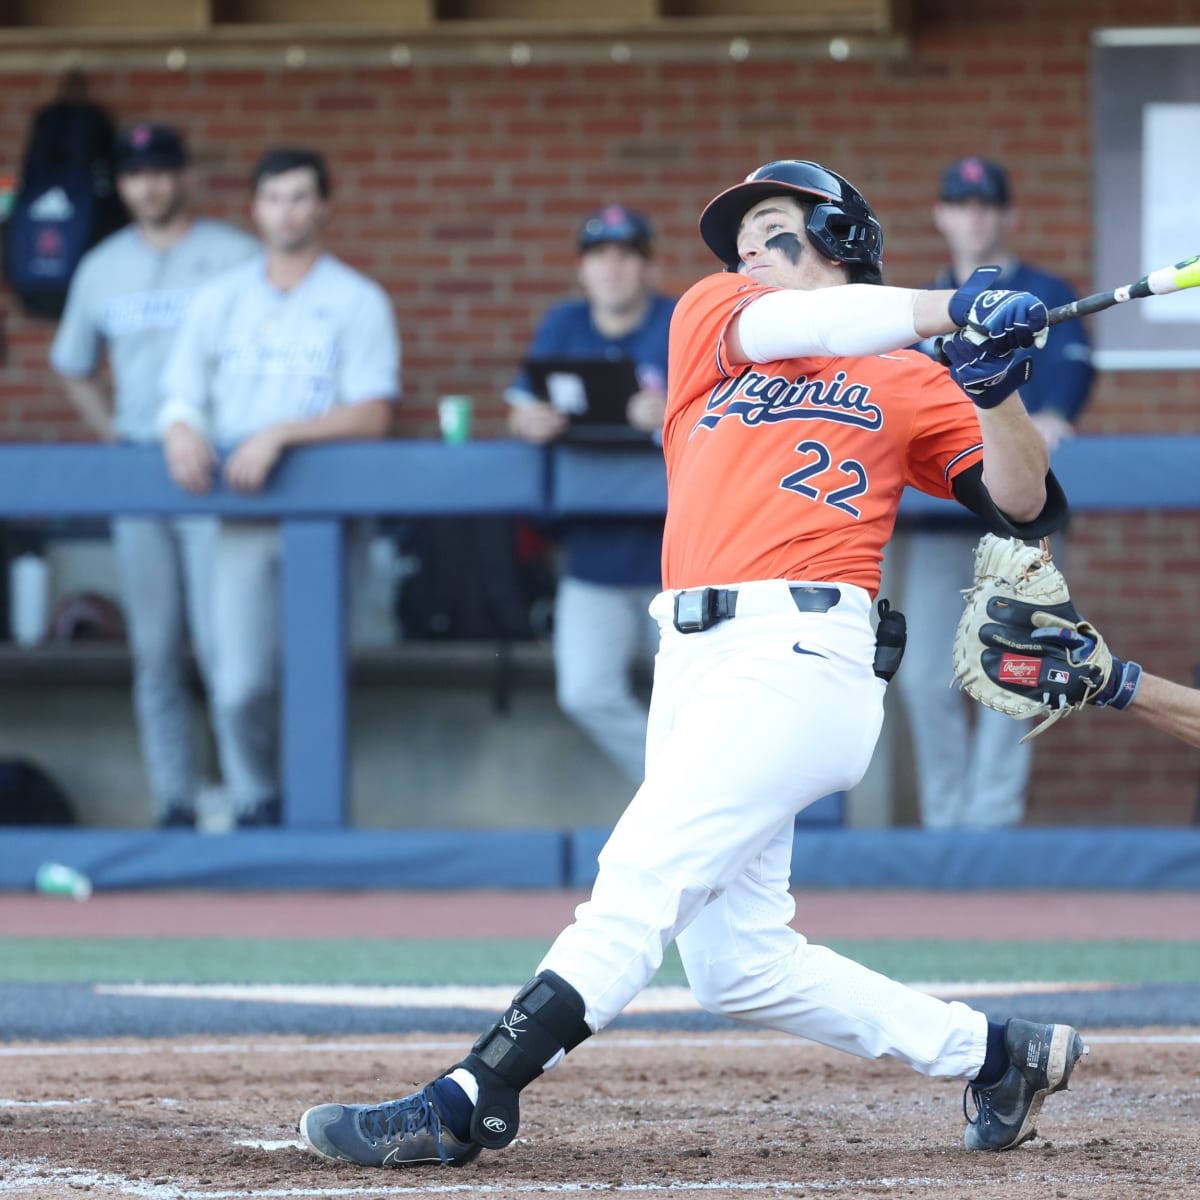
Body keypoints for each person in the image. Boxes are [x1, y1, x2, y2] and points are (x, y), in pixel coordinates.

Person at [298, 159, 1086, 1168]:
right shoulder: (715, 319)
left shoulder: (911, 376)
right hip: (694, 657)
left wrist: (999, 390)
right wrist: (955, 305)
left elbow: (1024, 505)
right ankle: (993, 1053)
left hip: (803, 654)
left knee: (640, 875)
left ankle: (471, 1097)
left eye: (774, 231)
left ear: (844, 239)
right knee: (737, 966)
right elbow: (822, 325)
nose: (748, 252)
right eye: (742, 239)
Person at [157, 147, 399, 828]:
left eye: (299, 197)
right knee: (236, 684)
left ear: (323, 208)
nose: (286, 211)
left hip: (329, 515)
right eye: (273, 198)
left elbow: (374, 412)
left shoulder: (356, 298)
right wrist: (179, 427)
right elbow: (180, 393)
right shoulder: (219, 299)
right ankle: (258, 798)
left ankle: (312, 817)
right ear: (254, 209)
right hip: (242, 515)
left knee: (316, 677)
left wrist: (280, 434)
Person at [49, 122, 259, 829]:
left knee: (228, 645)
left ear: (185, 176)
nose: (151, 186)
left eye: (163, 171)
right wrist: (112, 434)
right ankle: (175, 798)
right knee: (156, 647)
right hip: (141, 464)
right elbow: (71, 363)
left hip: (217, 467)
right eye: (138, 174)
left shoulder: (233, 254)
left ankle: (251, 796)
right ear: (125, 184)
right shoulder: (102, 265)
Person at [896, 156, 1096, 830]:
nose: (974, 216)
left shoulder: (1046, 291)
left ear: (1007, 215)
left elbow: (1062, 404)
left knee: (1017, 671)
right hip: (937, 515)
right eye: (961, 203)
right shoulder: (923, 305)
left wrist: (1046, 419)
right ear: (941, 215)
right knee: (925, 674)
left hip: (1018, 521)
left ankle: (991, 826)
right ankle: (947, 825)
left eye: (986, 205)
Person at [506, 206, 676, 783]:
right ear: (582, 269)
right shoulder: (564, 324)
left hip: (676, 557)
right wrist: (528, 419)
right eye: (599, 255)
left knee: (696, 700)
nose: (612, 268)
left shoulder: (679, 322)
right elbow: (519, 407)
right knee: (584, 690)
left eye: (626, 254)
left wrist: (668, 412)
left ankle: (696, 805)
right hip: (591, 555)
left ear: (649, 267)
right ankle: (675, 791)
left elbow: (730, 414)